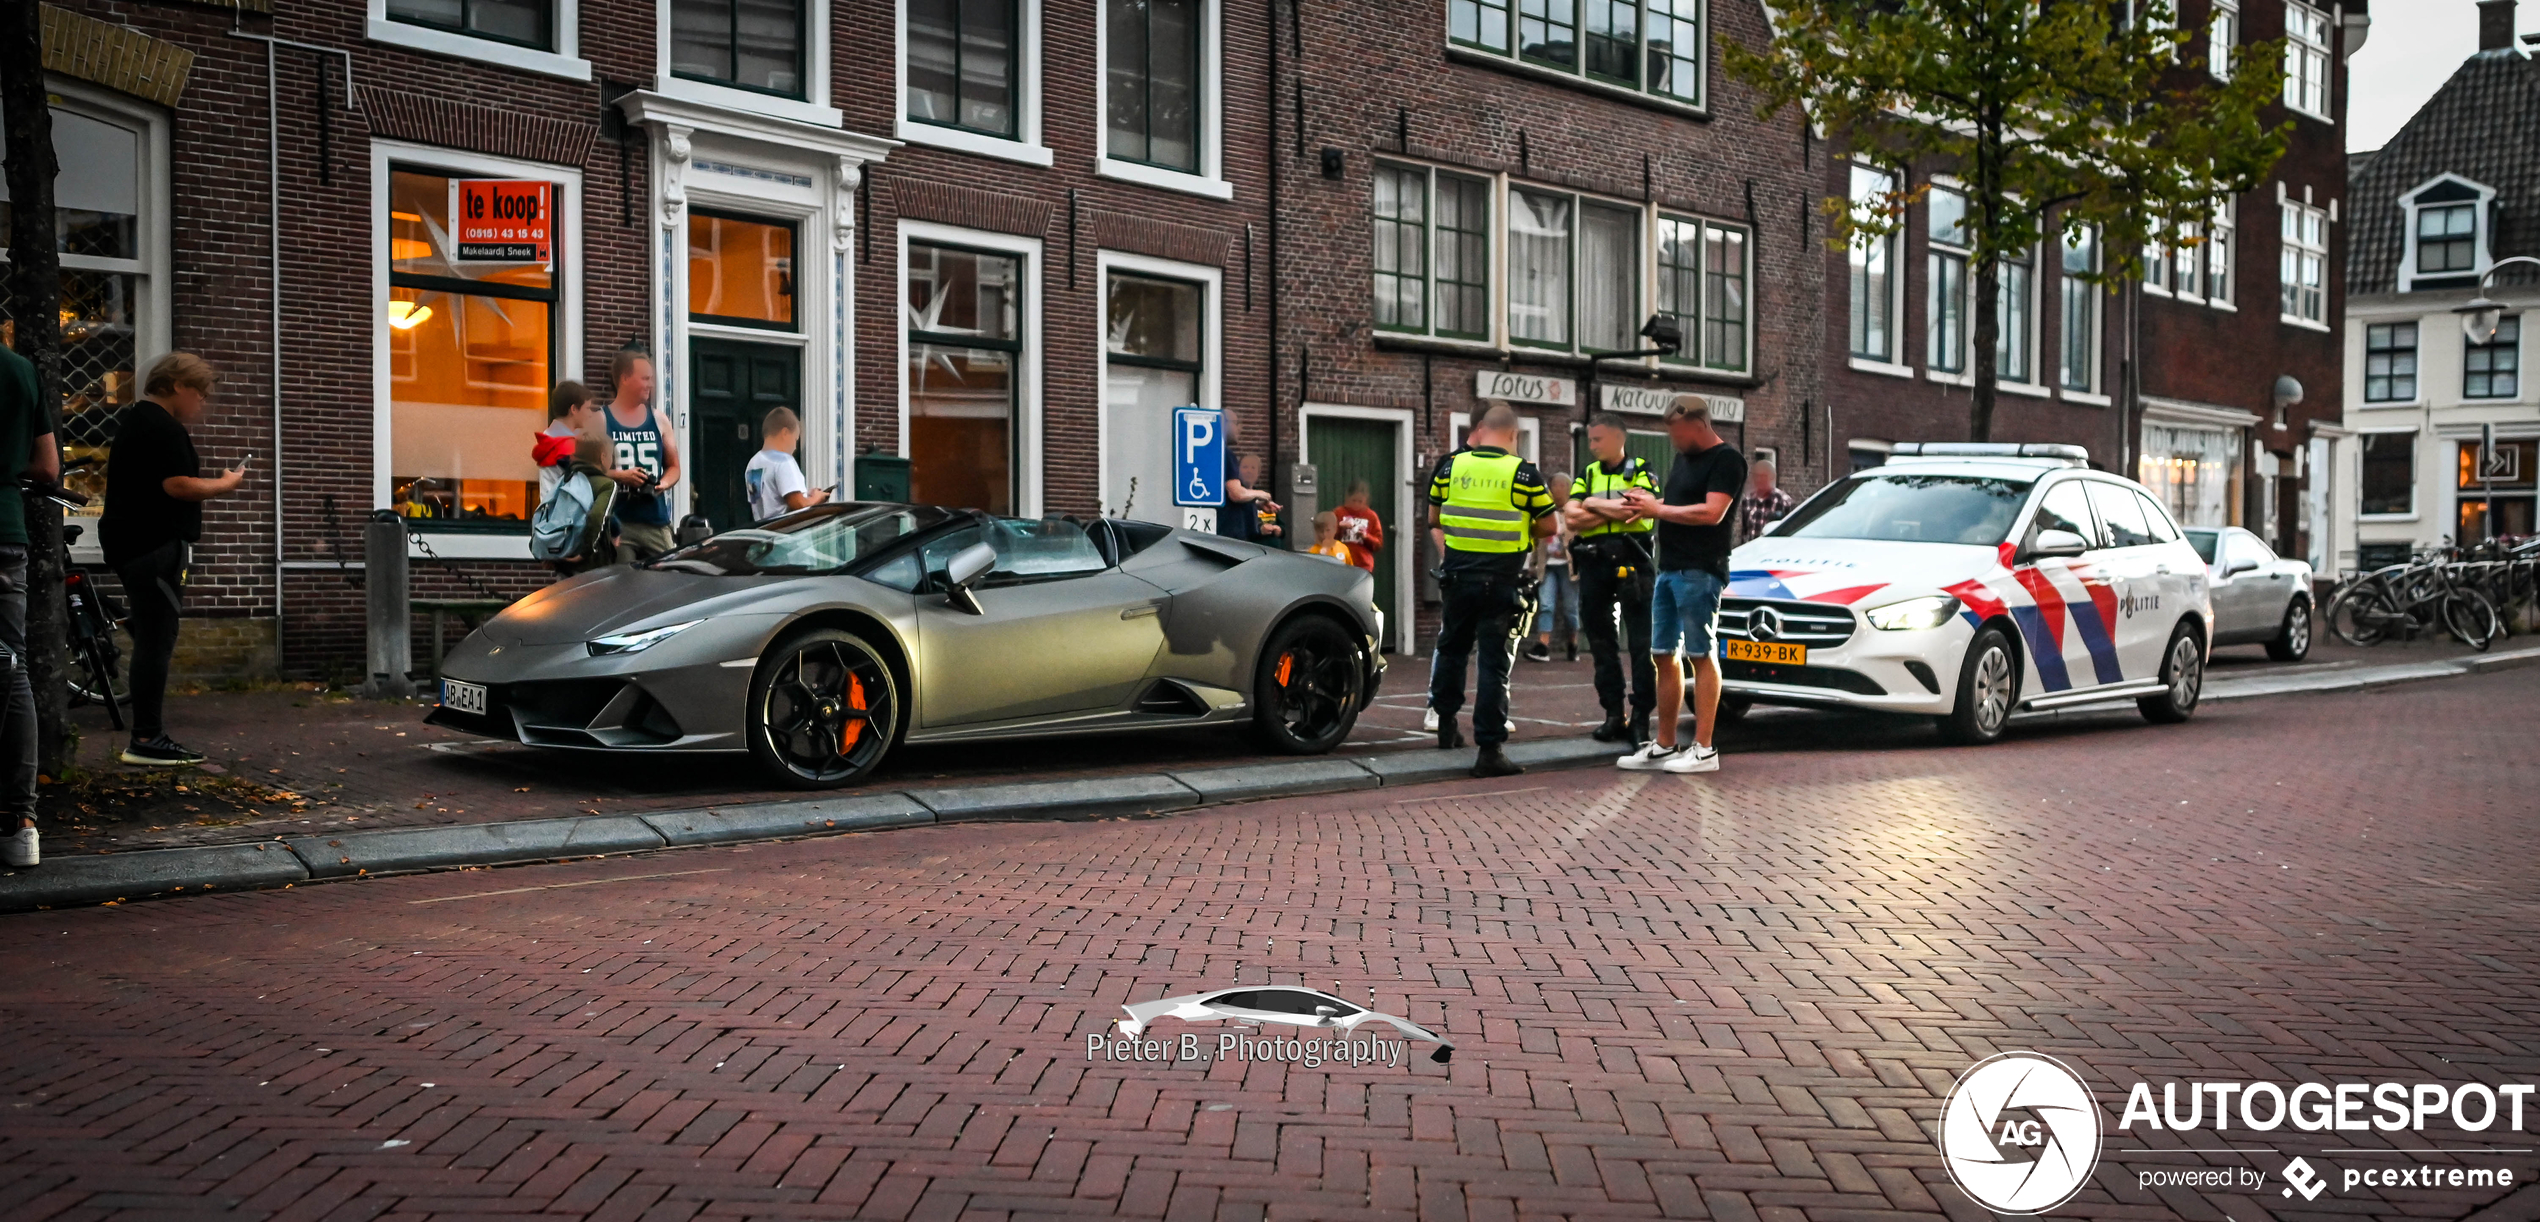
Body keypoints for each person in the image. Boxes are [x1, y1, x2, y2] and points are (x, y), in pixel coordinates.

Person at [102, 352, 246, 768]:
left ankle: (147, 735)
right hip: (155, 546)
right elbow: (178, 486)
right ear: (178, 386)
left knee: (151, 633)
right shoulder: (164, 429)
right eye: (198, 393)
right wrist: (225, 484)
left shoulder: (136, 421)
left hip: (130, 545)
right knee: (156, 640)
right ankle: (147, 737)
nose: (201, 402)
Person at [1427, 404, 1557, 778]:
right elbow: (1549, 526)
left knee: (1451, 649)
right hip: (1499, 581)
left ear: (1483, 430)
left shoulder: (1451, 468)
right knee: (1492, 664)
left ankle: (1446, 724)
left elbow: (1435, 519)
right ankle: (1489, 749)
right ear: (1513, 435)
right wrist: (1519, 533)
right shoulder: (1523, 474)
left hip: (1457, 578)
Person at [1617, 397, 1742, 775]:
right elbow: (1677, 504)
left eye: (1677, 431)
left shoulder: (1727, 460)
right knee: (1662, 654)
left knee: (1701, 654)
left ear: (1699, 425)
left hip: (1701, 570)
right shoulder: (1683, 459)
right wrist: (1650, 502)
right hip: (1669, 568)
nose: (1672, 439)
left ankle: (1704, 749)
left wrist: (1659, 510)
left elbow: (1711, 511)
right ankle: (1666, 744)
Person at [1567, 414, 1660, 744]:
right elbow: (1571, 516)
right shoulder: (1588, 473)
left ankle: (1641, 718)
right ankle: (1612, 714)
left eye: (1598, 440)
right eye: (1590, 440)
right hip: (1594, 563)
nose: (1592, 447)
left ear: (1619, 439)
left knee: (1640, 645)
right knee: (1601, 643)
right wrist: (1610, 506)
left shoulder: (1641, 470)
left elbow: (1638, 513)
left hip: (1633, 561)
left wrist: (1591, 503)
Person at [0, 340, 56, 868]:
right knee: (8, 666)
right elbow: (48, 467)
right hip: (5, 533)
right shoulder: (20, 370)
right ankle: (21, 823)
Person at [603, 347, 682, 562]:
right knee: (621, 584)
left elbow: (674, 467)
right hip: (618, 522)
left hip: (655, 521)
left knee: (671, 576)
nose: (651, 385)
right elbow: (586, 469)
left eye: (652, 379)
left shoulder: (659, 420)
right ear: (625, 378)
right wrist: (621, 476)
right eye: (645, 378)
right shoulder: (600, 420)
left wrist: (662, 484)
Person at [1525, 472, 1580, 662]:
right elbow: (1537, 541)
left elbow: (1580, 538)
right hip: (1547, 566)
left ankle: (1573, 643)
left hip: (1568, 567)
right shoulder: (1544, 513)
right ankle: (1543, 647)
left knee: (1570, 609)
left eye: (1560, 487)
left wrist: (1566, 552)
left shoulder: (1574, 512)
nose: (1556, 490)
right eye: (1553, 487)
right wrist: (1533, 564)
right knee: (1546, 605)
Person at [745, 407, 830, 522]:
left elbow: (772, 502)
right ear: (785, 433)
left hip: (764, 534)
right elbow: (800, 506)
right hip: (788, 536)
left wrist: (805, 495)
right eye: (795, 439)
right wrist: (817, 498)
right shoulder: (783, 460)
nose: (795, 447)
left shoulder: (752, 464)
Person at [556, 435, 621, 576]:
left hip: (563, 558)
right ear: (603, 457)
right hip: (590, 565)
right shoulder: (606, 485)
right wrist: (585, 553)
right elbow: (598, 517)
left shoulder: (565, 479)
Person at [531, 381, 602, 505]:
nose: (590, 414)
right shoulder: (567, 446)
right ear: (574, 409)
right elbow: (593, 476)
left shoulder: (550, 437)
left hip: (550, 514)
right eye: (587, 408)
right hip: (567, 516)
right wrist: (621, 476)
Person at [1333, 479, 1384, 572]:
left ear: (1366, 500)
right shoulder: (1339, 512)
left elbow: (1378, 544)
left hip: (1363, 565)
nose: (1356, 504)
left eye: (1360, 501)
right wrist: (1340, 527)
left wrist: (1366, 537)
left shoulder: (1371, 516)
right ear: (1347, 498)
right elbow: (1327, 537)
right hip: (1341, 562)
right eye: (1353, 501)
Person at [1741, 456, 1795, 542]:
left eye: (1763, 476)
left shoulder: (1785, 502)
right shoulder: (1747, 501)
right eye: (1757, 476)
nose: (1759, 480)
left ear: (1772, 477)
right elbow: (1745, 532)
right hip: (1753, 551)